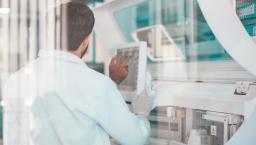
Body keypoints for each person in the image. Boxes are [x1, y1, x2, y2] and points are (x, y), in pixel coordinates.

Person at [3, 2, 153, 145]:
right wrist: (141, 112)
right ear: (86, 40)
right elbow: (135, 138)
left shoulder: (15, 80)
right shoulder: (97, 85)